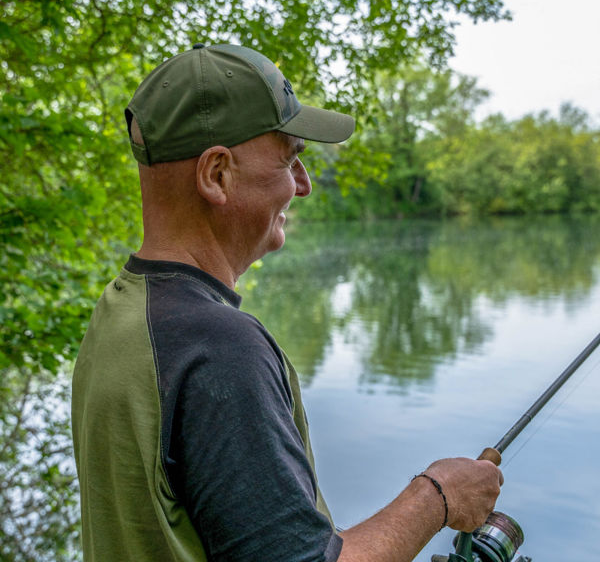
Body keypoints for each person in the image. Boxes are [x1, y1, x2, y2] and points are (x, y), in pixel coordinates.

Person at [71, 43, 502, 562]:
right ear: (217, 175)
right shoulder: (219, 349)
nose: (304, 185)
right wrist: (437, 495)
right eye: (291, 159)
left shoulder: (122, 310)